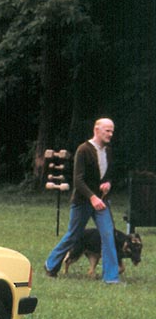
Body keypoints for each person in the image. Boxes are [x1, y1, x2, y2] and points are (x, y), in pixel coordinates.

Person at [44, 118, 120, 284]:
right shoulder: (83, 150)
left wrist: (108, 184)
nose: (110, 134)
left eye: (112, 131)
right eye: (107, 130)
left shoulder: (108, 151)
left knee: (108, 236)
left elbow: (107, 175)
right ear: (97, 129)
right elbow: (78, 180)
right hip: (82, 201)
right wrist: (92, 198)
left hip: (101, 202)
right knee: (74, 235)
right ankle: (50, 265)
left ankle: (111, 278)